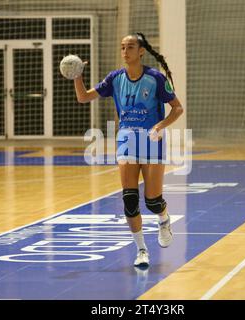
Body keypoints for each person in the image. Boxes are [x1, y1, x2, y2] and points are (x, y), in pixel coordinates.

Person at [72, 33, 184, 267]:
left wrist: (160, 125)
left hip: (151, 140)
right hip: (126, 141)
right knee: (130, 201)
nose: (125, 51)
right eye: (122, 47)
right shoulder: (115, 78)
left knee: (152, 201)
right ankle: (141, 250)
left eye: (130, 47)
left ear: (141, 51)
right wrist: (77, 76)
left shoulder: (155, 78)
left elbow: (177, 108)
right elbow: (83, 98)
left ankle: (163, 219)